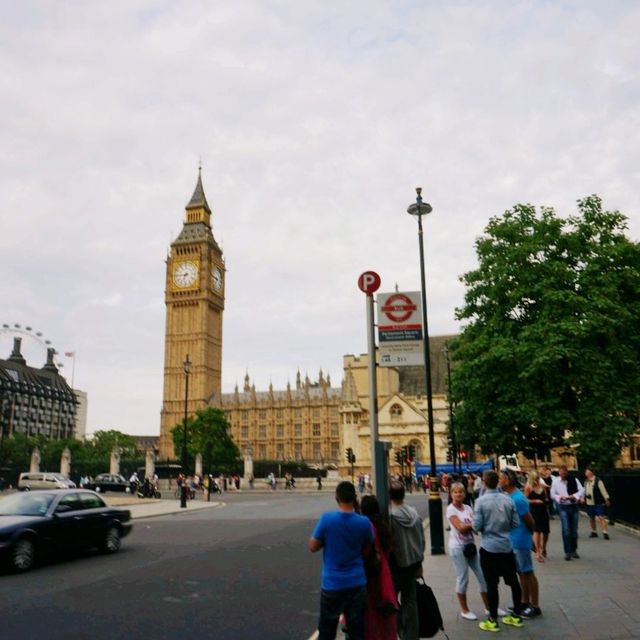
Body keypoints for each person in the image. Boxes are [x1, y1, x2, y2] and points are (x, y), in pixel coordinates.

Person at [309, 481, 374, 640]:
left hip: (333, 584)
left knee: (326, 630)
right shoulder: (364, 522)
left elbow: (312, 546)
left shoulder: (327, 519)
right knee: (357, 631)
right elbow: (368, 548)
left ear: (337, 498)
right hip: (356, 583)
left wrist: (327, 540)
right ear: (354, 498)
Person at [473, 469, 525, 633]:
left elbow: (476, 526)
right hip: (506, 547)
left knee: (491, 584)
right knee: (513, 582)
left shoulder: (481, 501)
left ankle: (493, 619)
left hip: (489, 547)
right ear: (497, 482)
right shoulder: (508, 500)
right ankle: (517, 615)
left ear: (485, 482)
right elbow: (516, 523)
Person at [446, 482, 490, 621]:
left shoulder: (468, 508)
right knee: (463, 578)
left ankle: (489, 608)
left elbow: (475, 528)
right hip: (457, 547)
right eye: (455, 492)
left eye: (461, 492)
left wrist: (471, 526)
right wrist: (473, 525)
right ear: (451, 494)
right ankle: (465, 610)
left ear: (465, 493)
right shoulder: (451, 509)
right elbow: (460, 528)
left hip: (470, 545)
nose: (458, 494)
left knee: (483, 575)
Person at [501, 469, 542, 619]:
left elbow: (530, 521)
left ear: (508, 480)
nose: (499, 481)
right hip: (515, 539)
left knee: (528, 572)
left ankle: (535, 605)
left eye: (501, 478)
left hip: (520, 540)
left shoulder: (518, 499)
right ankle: (524, 602)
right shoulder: (512, 496)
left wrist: (529, 537)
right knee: (521, 573)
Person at [389, 481, 425, 640]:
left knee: (391, 601)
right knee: (410, 602)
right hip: (412, 564)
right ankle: (410, 636)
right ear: (404, 494)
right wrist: (419, 562)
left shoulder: (389, 516)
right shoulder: (414, 514)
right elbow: (421, 541)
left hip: (395, 566)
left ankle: (399, 631)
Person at [360, 495, 399, 640]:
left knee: (370, 614)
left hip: (371, 574)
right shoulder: (383, 526)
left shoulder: (367, 527)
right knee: (385, 615)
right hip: (384, 573)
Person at [550, 465, 584, 561]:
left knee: (574, 530)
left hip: (573, 505)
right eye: (561, 473)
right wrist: (560, 497)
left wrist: (574, 496)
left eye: (564, 473)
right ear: (559, 473)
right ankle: (567, 551)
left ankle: (574, 550)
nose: (563, 475)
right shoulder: (556, 482)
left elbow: (581, 490)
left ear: (567, 473)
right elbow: (552, 494)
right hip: (563, 506)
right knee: (566, 529)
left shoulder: (573, 480)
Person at [524, 470, 550, 561]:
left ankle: (544, 547)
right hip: (534, 510)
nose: (537, 480)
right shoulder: (528, 487)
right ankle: (538, 552)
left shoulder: (543, 486)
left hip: (543, 510)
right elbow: (525, 499)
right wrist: (534, 501)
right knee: (537, 530)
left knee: (546, 531)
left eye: (538, 478)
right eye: (536, 478)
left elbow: (546, 497)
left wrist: (546, 500)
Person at [584, 467, 611, 539]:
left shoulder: (598, 481)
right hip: (589, 502)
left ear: (591, 472)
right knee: (591, 517)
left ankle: (605, 532)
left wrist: (606, 499)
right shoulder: (586, 481)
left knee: (601, 517)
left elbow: (603, 490)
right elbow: (585, 490)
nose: (585, 473)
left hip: (598, 502)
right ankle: (594, 531)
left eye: (587, 471)